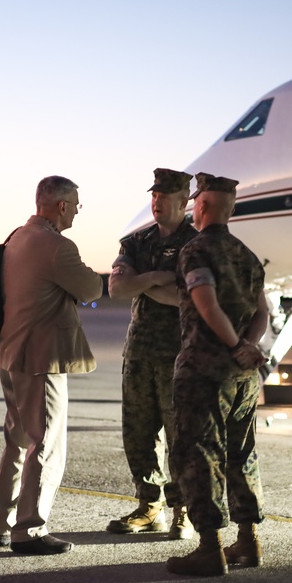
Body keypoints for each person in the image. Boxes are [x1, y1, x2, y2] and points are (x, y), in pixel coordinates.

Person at [0, 175, 104, 555]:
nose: (76, 210)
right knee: (47, 444)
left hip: (10, 354)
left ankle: (3, 521)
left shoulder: (17, 238)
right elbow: (91, 289)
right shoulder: (56, 246)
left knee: (17, 441)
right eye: (75, 204)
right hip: (41, 359)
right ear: (60, 205)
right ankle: (30, 529)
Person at [166, 172, 269, 577]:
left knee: (198, 456)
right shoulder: (247, 255)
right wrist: (247, 347)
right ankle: (248, 540)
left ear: (201, 206)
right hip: (242, 377)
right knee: (242, 455)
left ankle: (209, 548)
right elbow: (262, 312)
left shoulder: (196, 250)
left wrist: (230, 345)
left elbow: (206, 306)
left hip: (205, 372)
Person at [106, 168, 198, 540]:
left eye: (164, 197)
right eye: (154, 196)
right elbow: (117, 288)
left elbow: (188, 297)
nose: (156, 202)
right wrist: (156, 279)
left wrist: (142, 285)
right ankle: (149, 505)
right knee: (138, 434)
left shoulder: (196, 243)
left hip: (180, 354)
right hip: (140, 353)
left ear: (183, 201)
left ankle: (184, 510)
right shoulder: (136, 242)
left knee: (181, 436)